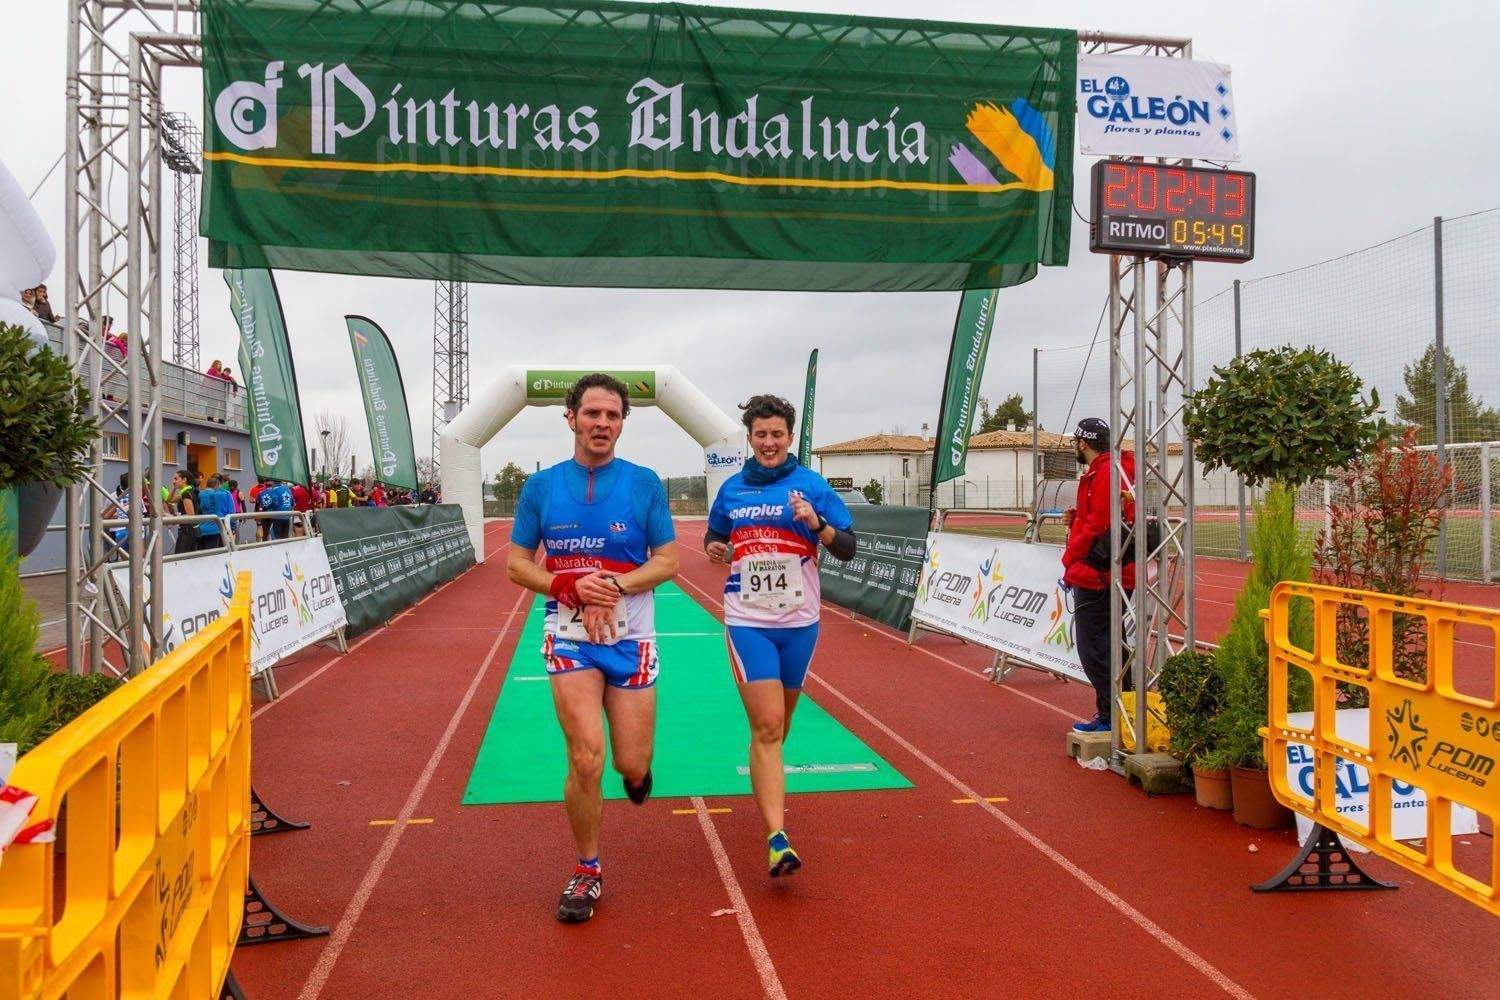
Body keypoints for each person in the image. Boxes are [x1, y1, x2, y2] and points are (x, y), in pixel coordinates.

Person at [505, 373, 679, 924]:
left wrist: (614, 587)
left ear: (622, 423)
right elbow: (516, 564)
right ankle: (587, 869)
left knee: (629, 763)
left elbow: (669, 560)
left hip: (632, 638)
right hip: (570, 638)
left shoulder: (645, 483)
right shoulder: (540, 488)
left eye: (612, 415)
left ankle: (636, 772)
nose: (602, 424)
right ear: (571, 418)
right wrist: (567, 587)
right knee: (585, 756)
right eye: (592, 414)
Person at [704, 394, 857, 879]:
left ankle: (765, 770)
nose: (768, 442)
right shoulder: (731, 490)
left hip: (799, 623)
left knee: (778, 728)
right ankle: (776, 838)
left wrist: (818, 525)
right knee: (768, 726)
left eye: (777, 434)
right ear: (749, 438)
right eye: (760, 434)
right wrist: (717, 549)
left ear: (790, 437)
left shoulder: (811, 486)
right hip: (747, 621)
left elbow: (849, 548)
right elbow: (716, 537)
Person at [1061, 418, 1137, 734]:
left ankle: (1112, 716)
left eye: (1074, 442)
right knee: (1110, 645)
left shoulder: (1105, 471)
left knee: (1095, 649)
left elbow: (1103, 524)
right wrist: (1077, 519)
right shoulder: (1107, 469)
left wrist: (1073, 554)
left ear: (1083, 443)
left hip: (1099, 574)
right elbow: (1100, 517)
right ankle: (1122, 712)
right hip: (1109, 571)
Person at [196, 475, 232, 550]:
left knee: (201, 553)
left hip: (201, 527)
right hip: (215, 528)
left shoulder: (200, 494)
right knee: (213, 553)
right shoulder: (222, 494)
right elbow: (224, 492)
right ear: (218, 485)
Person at [169, 469, 201, 554]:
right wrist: (174, 488)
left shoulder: (186, 494)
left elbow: (190, 515)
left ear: (184, 480)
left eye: (176, 479)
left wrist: (174, 519)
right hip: (189, 530)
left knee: (180, 557)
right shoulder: (185, 492)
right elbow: (170, 500)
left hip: (188, 530)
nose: (173, 481)